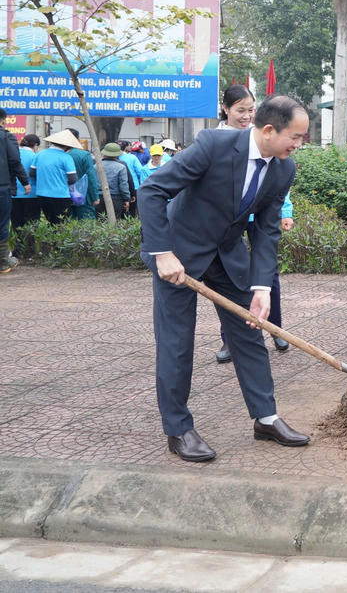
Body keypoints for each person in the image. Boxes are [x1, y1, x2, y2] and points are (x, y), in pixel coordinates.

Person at [137, 94, 312, 463]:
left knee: (249, 333)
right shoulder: (213, 145)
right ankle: (178, 429)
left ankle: (265, 418)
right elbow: (152, 191)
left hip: (229, 257)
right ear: (268, 130)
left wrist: (262, 287)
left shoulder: (283, 169)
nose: (299, 145)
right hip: (179, 257)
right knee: (177, 343)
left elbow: (266, 231)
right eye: (295, 137)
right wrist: (162, 252)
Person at [209, 84, 293, 362]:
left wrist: (286, 211)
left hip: (260, 216)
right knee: (229, 277)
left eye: (250, 110)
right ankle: (230, 337)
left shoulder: (261, 134)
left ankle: (275, 328)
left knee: (266, 273)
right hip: (228, 219)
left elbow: (279, 178)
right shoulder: (214, 139)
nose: (246, 116)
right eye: (240, 110)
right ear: (226, 109)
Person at [0, 110, 31, 273]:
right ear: (4, 121)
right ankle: (3, 262)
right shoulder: (6, 137)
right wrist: (25, 182)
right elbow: (14, 161)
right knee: (2, 224)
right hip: (2, 186)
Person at [30, 130, 80, 224]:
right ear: (67, 146)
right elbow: (73, 179)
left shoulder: (40, 154)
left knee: (50, 221)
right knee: (61, 223)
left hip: (42, 194)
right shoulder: (66, 157)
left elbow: (32, 173)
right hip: (61, 195)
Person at [63, 128, 99, 220]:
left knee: (68, 225)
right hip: (83, 196)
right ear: (78, 139)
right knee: (87, 225)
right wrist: (95, 196)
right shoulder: (84, 155)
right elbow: (91, 177)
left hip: (64, 195)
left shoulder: (58, 155)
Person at [10, 134, 40, 234]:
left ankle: (17, 248)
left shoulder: (13, 154)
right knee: (31, 225)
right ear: (35, 145)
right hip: (31, 194)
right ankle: (29, 248)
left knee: (16, 225)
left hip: (13, 194)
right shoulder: (35, 157)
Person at [98, 143, 132, 218]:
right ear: (117, 154)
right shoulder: (121, 167)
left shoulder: (96, 166)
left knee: (99, 222)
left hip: (99, 198)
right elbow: (123, 185)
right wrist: (126, 199)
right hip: (116, 199)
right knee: (114, 222)